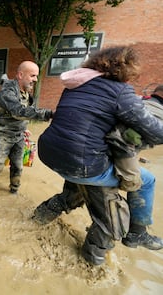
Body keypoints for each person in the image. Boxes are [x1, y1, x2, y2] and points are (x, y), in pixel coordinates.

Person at [32, 46, 163, 266]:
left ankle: (37, 219)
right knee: (136, 193)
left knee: (77, 191)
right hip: (82, 163)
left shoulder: (76, 85)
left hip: (50, 152)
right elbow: (156, 133)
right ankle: (97, 260)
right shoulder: (121, 92)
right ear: (125, 69)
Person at [0, 61, 53, 194]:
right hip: (2, 135)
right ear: (20, 75)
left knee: (18, 165)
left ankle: (14, 190)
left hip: (19, 136)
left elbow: (26, 111)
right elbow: (18, 111)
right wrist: (49, 114)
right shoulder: (6, 93)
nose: (35, 80)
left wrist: (24, 128)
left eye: (36, 76)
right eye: (32, 76)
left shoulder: (26, 91)